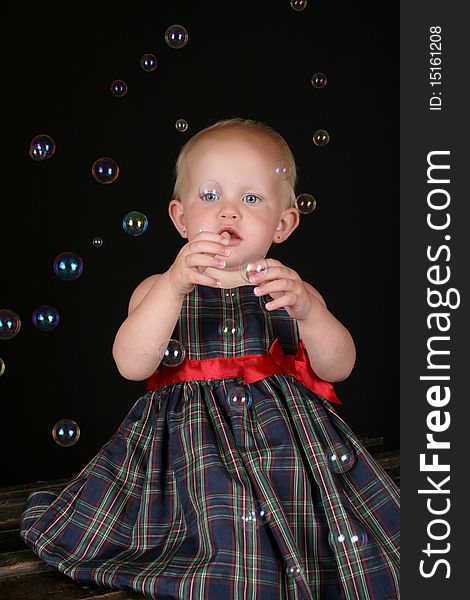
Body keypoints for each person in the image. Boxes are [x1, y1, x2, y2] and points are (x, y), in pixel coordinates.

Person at [20, 118, 400, 600]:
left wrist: (310, 310)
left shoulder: (290, 291)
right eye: (209, 196)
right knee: (217, 527)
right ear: (180, 219)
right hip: (186, 454)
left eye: (252, 199)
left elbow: (338, 367)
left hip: (285, 450)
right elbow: (132, 365)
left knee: (342, 544)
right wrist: (174, 285)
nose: (229, 212)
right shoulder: (161, 290)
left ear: (283, 224)